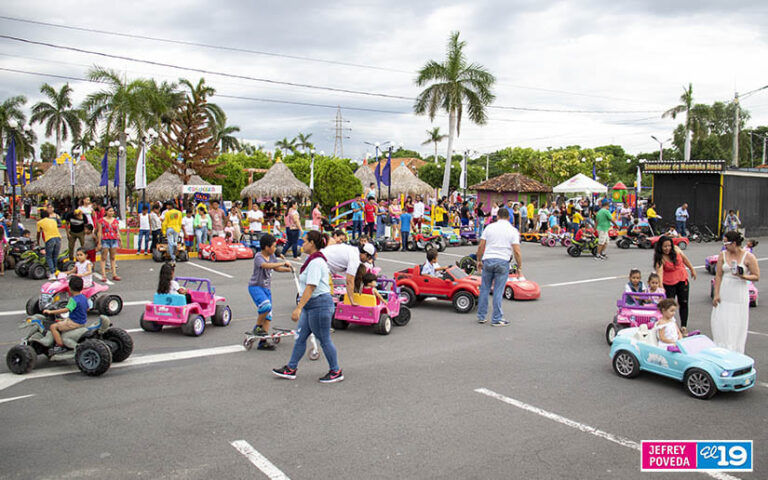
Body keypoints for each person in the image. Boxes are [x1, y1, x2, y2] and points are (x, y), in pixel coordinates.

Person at [273, 230, 343, 383]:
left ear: (312, 243)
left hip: (319, 305)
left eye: (304, 241)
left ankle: (335, 371)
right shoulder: (312, 260)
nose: (302, 244)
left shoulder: (317, 262)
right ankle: (291, 368)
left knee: (324, 340)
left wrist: (298, 308)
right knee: (300, 338)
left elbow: (311, 286)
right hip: (311, 306)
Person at [711, 231, 760, 353]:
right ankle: (721, 349)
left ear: (733, 243)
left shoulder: (748, 256)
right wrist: (716, 294)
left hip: (739, 292)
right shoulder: (723, 254)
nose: (724, 246)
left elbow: (756, 276)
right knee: (721, 321)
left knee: (736, 322)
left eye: (726, 243)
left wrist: (743, 276)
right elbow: (718, 275)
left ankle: (735, 351)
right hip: (725, 291)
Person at [475, 208, 521, 327]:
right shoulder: (513, 230)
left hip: (488, 259)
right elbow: (517, 251)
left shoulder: (489, 227)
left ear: (497, 216)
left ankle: (481, 316)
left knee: (485, 288)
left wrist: (479, 260)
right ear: (509, 218)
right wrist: (519, 266)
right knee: (498, 290)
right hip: (502, 261)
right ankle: (496, 318)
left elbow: (481, 246)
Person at [249, 233, 293, 350]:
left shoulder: (272, 256)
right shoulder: (258, 257)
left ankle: (263, 342)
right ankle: (257, 327)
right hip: (256, 287)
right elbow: (265, 265)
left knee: (268, 316)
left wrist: (288, 270)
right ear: (266, 247)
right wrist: (283, 262)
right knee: (266, 306)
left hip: (266, 288)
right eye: (273, 246)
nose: (275, 248)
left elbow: (275, 267)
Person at [654, 235, 696, 330]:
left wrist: (692, 269)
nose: (667, 248)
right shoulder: (660, 258)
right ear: (660, 247)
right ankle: (670, 326)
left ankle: (684, 326)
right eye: (665, 246)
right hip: (669, 283)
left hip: (682, 280)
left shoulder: (676, 250)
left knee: (683, 303)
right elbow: (659, 273)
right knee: (669, 306)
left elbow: (685, 259)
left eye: (669, 246)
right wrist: (661, 286)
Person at [323, 241, 376, 306]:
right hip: (323, 266)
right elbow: (350, 281)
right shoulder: (355, 258)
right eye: (369, 258)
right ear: (364, 254)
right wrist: (352, 301)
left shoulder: (352, 250)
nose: (367, 260)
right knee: (326, 301)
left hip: (322, 263)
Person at [45, 276, 88, 354]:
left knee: (53, 327)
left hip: (74, 322)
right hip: (82, 321)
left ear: (70, 288)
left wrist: (51, 312)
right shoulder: (84, 297)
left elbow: (65, 310)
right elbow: (87, 308)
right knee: (60, 321)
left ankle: (60, 346)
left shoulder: (73, 300)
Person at [36, 209, 62, 280]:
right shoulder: (53, 221)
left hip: (49, 239)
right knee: (55, 256)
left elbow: (38, 233)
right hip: (58, 238)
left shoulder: (39, 222)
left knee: (49, 256)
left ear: (41, 216)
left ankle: (52, 273)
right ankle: (56, 272)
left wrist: (38, 242)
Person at [98, 206, 121, 281]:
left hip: (114, 240)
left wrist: (119, 240)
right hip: (105, 240)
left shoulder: (115, 220)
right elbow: (99, 232)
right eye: (110, 211)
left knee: (113, 257)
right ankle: (103, 275)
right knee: (104, 257)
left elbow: (117, 231)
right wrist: (99, 242)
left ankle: (114, 274)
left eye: (112, 211)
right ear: (106, 212)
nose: (111, 212)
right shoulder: (101, 221)